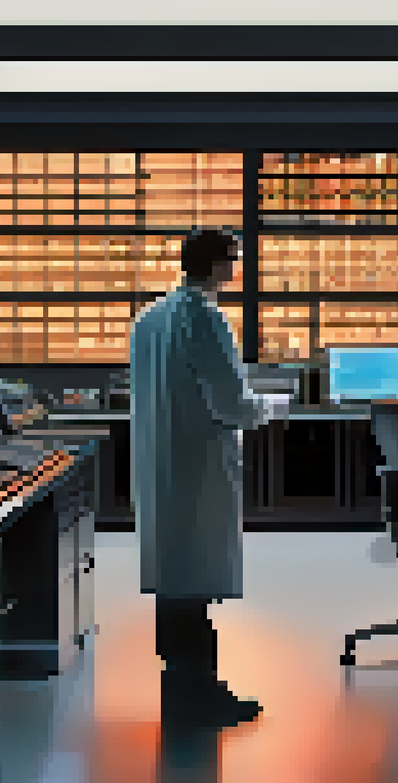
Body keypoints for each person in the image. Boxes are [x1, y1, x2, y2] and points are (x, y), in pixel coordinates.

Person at [129, 228, 289, 726]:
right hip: (197, 468)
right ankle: (201, 695)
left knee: (175, 581)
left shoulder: (150, 318)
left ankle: (179, 686)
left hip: (162, 464)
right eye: (232, 259)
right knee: (194, 582)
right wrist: (274, 406)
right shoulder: (206, 318)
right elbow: (232, 404)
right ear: (218, 264)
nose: (235, 268)